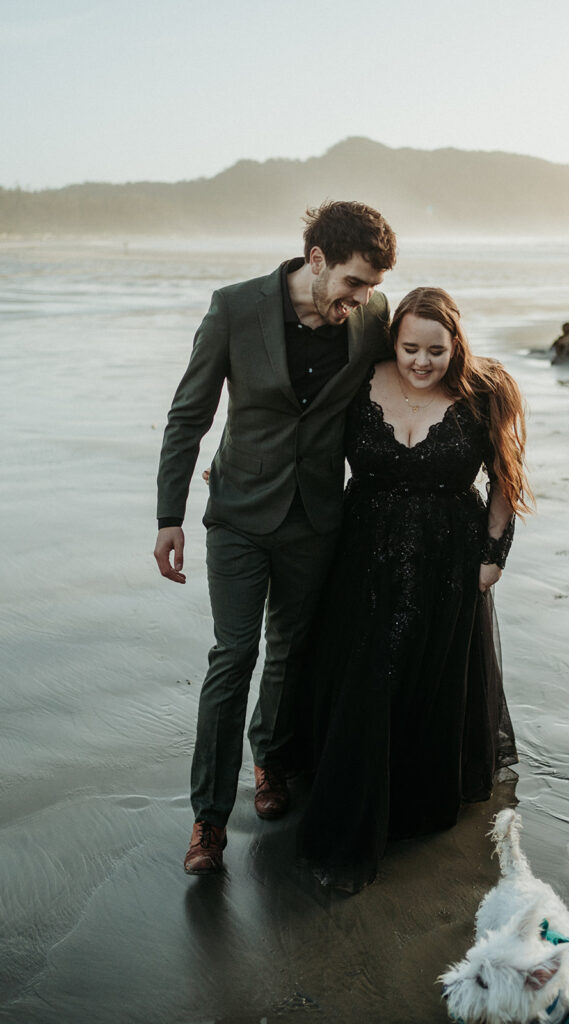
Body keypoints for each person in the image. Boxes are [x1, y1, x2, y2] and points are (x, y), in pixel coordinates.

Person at [153, 201, 397, 875]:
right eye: (353, 282)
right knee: (233, 657)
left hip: (315, 517)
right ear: (315, 261)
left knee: (288, 650)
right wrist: (167, 515)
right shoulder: (234, 308)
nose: (362, 298)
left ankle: (271, 763)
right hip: (236, 515)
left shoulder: (370, 318)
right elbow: (188, 415)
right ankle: (206, 818)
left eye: (371, 286)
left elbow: (413, 377)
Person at [295, 286, 533, 893]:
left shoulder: (486, 392)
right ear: (392, 341)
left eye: (436, 350)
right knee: (367, 676)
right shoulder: (360, 379)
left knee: (424, 677)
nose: (422, 362)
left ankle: (409, 806)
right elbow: (299, 432)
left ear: (456, 344)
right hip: (361, 556)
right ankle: (352, 808)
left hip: (446, 562)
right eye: (409, 349)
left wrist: (493, 557)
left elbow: (507, 482)